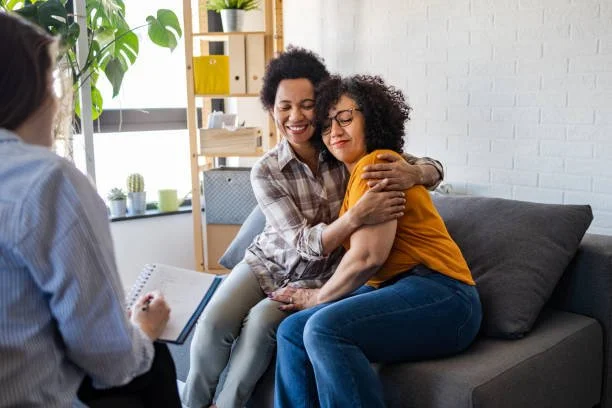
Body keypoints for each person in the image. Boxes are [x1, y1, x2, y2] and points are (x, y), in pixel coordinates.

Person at [181, 47, 444, 408]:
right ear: (272, 111)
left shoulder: (341, 146)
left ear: (320, 106)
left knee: (260, 327)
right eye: (284, 106)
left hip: (319, 277)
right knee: (212, 326)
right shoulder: (266, 170)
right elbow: (304, 243)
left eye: (306, 104)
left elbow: (430, 167)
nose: (296, 116)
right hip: (267, 263)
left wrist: (415, 172)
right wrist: (355, 217)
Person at [0, 12, 181, 408]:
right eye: (52, 85)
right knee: (153, 361)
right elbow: (111, 358)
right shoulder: (46, 181)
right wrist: (141, 330)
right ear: (28, 92)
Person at [271, 74, 482, 408]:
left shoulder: (377, 165)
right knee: (292, 332)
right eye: (326, 126)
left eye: (345, 118)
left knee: (323, 329)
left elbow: (368, 257)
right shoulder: (360, 171)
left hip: (445, 297)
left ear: (371, 115)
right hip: (396, 289)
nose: (335, 131)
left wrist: (317, 296)